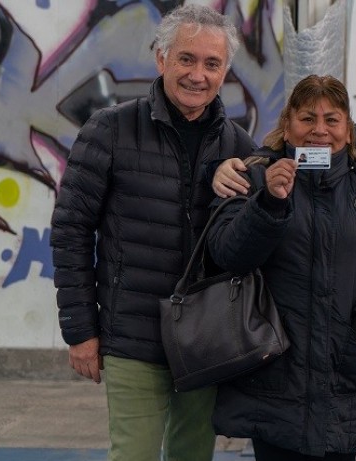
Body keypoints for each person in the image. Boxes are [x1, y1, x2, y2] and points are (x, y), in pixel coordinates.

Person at [49, 5, 257, 460]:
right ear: (161, 58)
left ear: (225, 71)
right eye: (186, 59)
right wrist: (80, 330)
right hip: (133, 337)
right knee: (133, 455)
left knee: (192, 455)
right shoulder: (110, 129)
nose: (198, 75)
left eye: (212, 63)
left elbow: (252, 242)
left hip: (207, 341)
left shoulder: (240, 147)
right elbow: (71, 230)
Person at [205, 74, 356, 461]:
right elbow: (226, 255)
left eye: (332, 120)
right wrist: (269, 203)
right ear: (287, 126)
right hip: (271, 376)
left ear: (348, 131)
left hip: (346, 377)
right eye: (307, 118)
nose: (319, 130)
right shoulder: (251, 179)